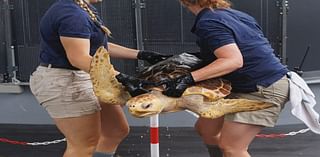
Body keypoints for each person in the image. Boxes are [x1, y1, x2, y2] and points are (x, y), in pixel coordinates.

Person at [29, 0, 170, 157]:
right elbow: (79, 58)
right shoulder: (71, 14)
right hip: (65, 81)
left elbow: (97, 47)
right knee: (83, 144)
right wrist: (120, 77)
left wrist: (141, 54)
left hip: (84, 75)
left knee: (115, 130)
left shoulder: (84, 8)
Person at [161, 0, 290, 157]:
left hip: (262, 88)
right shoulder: (235, 15)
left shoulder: (208, 22)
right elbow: (242, 49)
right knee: (206, 130)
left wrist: (187, 79)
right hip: (240, 85)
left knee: (232, 148)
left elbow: (233, 60)